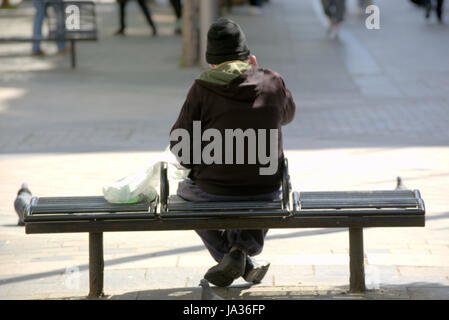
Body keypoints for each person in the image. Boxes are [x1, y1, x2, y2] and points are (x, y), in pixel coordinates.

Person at [169, 18, 296, 287]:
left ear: (212, 63)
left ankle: (231, 256)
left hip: (212, 189)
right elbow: (287, 116)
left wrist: (196, 162)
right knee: (259, 190)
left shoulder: (202, 88)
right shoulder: (273, 81)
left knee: (184, 196)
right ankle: (240, 254)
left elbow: (180, 145)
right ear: (249, 58)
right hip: (266, 188)